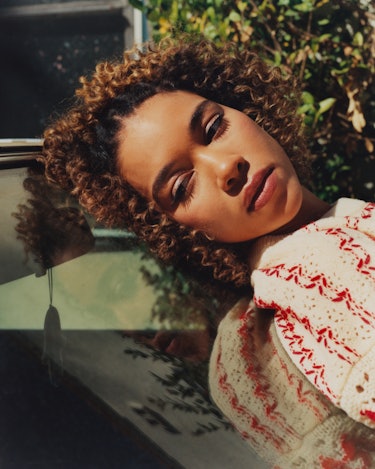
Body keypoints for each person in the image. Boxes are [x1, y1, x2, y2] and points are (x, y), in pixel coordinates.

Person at [42, 36, 375, 465]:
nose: (226, 167)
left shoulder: (343, 229)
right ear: (176, 232)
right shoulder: (311, 269)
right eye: (182, 187)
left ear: (245, 108)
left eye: (214, 128)